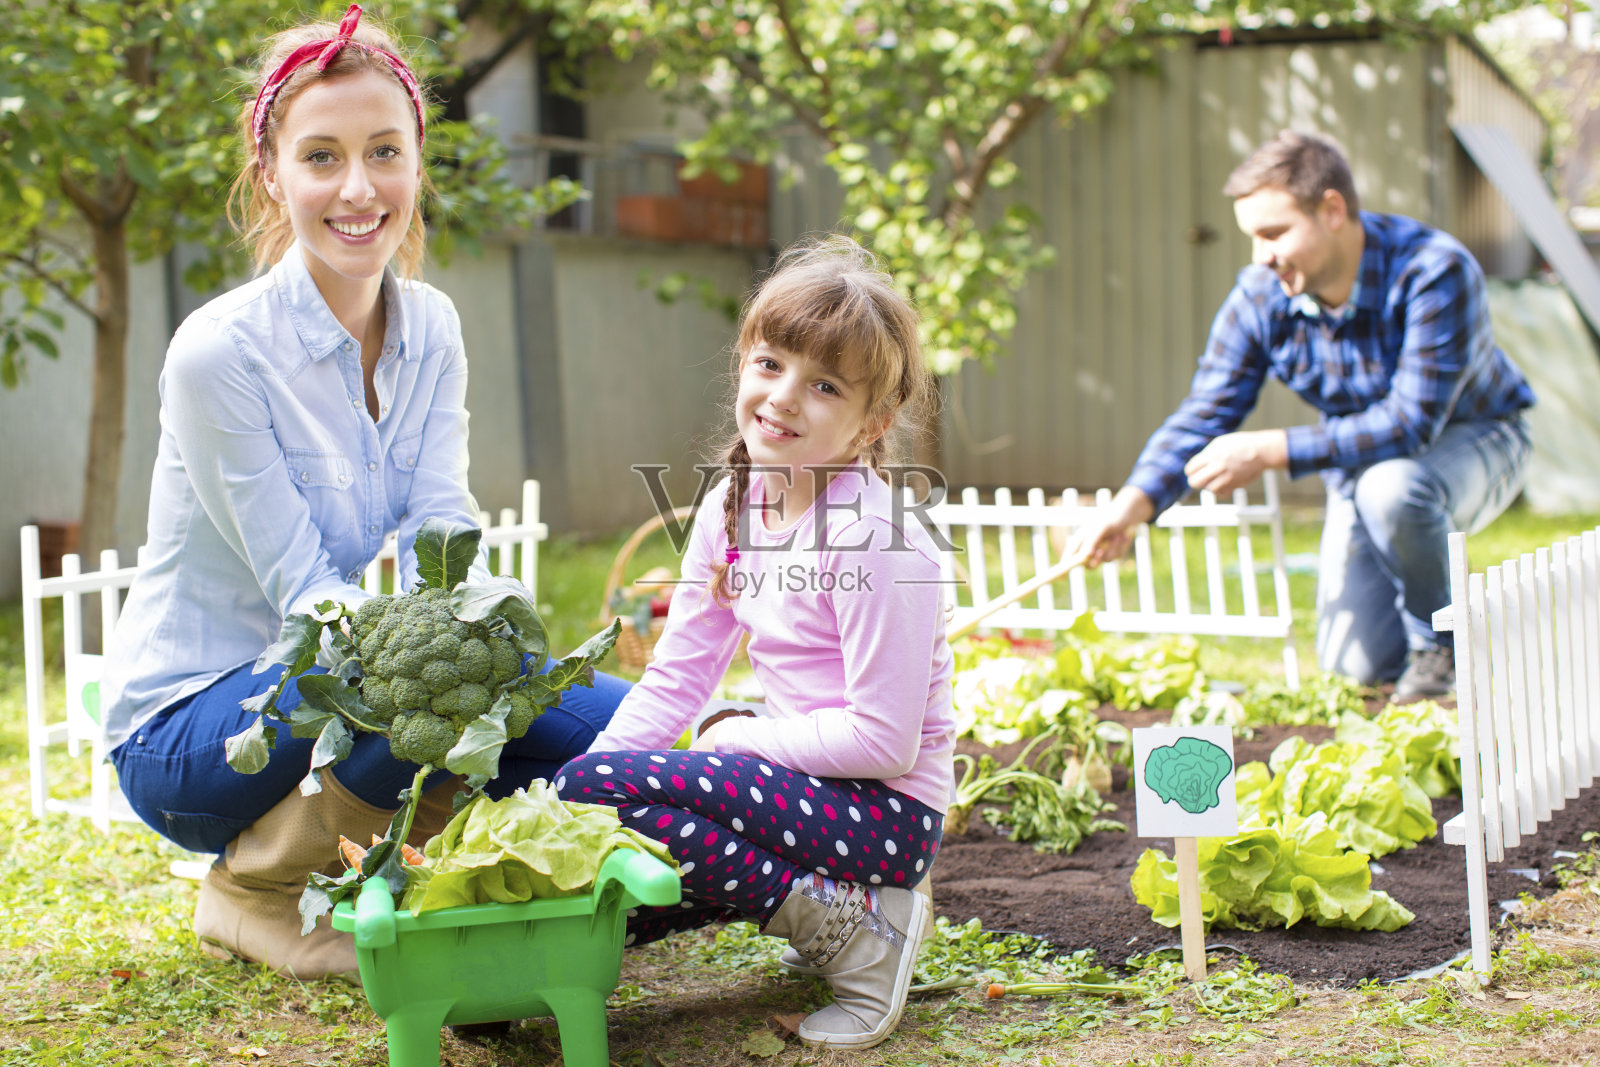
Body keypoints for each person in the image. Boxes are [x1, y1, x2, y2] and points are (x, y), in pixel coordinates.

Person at [100, 5, 626, 978]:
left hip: (337, 683)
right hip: (190, 736)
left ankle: (434, 859)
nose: (358, 187)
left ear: (418, 161)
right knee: (416, 688)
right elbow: (307, 593)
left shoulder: (433, 327)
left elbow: (442, 526)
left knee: (616, 736)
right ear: (272, 172)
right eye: (321, 157)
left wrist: (484, 630)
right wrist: (465, 653)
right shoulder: (220, 354)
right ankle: (257, 888)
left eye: (385, 150)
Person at [556, 236, 955, 1051]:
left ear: (873, 422)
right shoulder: (731, 506)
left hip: (886, 812)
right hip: (805, 786)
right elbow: (676, 679)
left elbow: (886, 741)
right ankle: (824, 909)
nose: (784, 397)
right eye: (771, 364)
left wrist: (741, 738)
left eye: (825, 385)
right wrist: (571, 803)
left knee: (605, 794)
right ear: (743, 363)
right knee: (602, 838)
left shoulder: (874, 537)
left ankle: (865, 935)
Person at [1069, 130, 1535, 698]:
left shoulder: (1434, 270)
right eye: (1253, 238)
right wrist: (1133, 503)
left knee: (1393, 491)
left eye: (1274, 233)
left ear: (1332, 210)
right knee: (1352, 666)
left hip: (1480, 436)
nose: (1260, 256)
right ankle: (1428, 627)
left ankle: (1442, 646)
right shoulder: (1262, 296)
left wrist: (1270, 450)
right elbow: (1206, 412)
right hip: (1363, 467)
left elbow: (1410, 422)